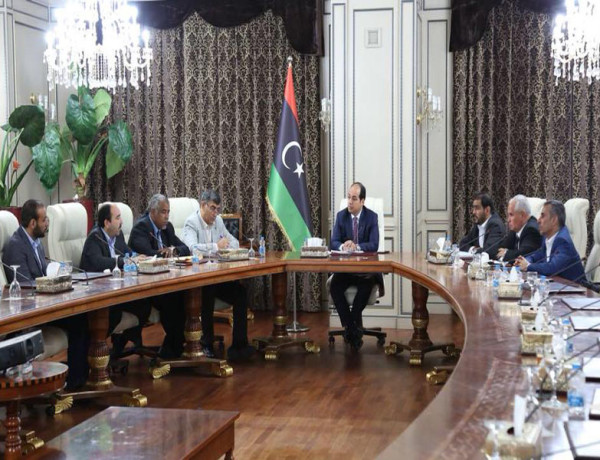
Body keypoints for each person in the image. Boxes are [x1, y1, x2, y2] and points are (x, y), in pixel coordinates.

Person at [2, 200, 89, 389]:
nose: (47, 223)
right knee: (78, 322)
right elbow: (26, 286)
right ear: (32, 223)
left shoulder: (36, 243)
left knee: (82, 317)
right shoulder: (16, 246)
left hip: (47, 304)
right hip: (31, 314)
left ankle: (80, 379)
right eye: (44, 220)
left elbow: (42, 275)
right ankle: (75, 383)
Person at [182, 190, 254, 361]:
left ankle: (239, 345)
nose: (216, 213)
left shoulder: (218, 221)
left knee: (240, 293)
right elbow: (192, 249)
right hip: (197, 281)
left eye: (218, 209)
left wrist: (227, 245)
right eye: (213, 208)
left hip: (217, 276)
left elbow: (233, 241)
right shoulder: (191, 223)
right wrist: (216, 246)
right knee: (208, 291)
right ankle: (206, 344)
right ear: (202, 205)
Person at [129, 194, 188, 359]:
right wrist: (165, 253)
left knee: (182, 294)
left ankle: (175, 346)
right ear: (153, 212)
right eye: (163, 212)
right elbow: (149, 255)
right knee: (173, 299)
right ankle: (173, 348)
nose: (167, 216)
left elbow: (185, 248)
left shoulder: (167, 228)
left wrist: (173, 250)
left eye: (168, 212)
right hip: (145, 286)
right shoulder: (141, 228)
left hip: (165, 281)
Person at [80, 204, 151, 338]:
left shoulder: (118, 235)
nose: (121, 221)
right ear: (107, 223)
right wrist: (124, 261)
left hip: (117, 289)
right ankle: (97, 345)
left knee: (144, 305)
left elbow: (128, 253)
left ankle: (121, 343)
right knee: (114, 313)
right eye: (118, 218)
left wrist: (139, 258)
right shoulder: (95, 237)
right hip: (98, 293)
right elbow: (98, 263)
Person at [329, 182, 384, 350]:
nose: (349, 202)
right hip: (345, 270)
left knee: (366, 286)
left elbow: (374, 244)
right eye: (348, 197)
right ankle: (353, 329)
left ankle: (350, 329)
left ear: (362, 201)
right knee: (335, 286)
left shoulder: (371, 217)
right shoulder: (341, 216)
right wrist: (343, 246)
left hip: (365, 271)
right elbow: (333, 241)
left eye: (354, 198)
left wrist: (357, 246)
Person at [516, 200, 585, 282]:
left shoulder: (563, 241)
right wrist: (525, 261)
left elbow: (552, 268)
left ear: (554, 220)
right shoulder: (547, 237)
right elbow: (538, 255)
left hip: (576, 288)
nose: (538, 220)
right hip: (557, 285)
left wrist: (528, 266)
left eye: (542, 216)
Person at [459, 193, 505, 259]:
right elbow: (463, 244)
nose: (473, 212)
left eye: (477, 208)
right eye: (473, 208)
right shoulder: (479, 224)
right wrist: (474, 249)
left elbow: (488, 252)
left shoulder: (496, 225)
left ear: (487, 210)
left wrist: (474, 250)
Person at [497, 194, 542, 262]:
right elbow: (500, 249)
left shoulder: (531, 230)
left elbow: (523, 255)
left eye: (511, 215)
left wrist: (506, 253)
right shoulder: (516, 228)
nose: (508, 220)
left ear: (522, 215)